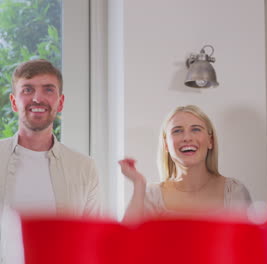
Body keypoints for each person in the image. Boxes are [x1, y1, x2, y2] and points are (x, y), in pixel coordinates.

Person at [0, 59, 101, 263]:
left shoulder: (84, 167)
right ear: (13, 102)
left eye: (48, 90)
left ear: (60, 102)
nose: (37, 98)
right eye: (27, 90)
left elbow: (93, 242)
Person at [119, 105, 251, 223]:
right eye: (177, 131)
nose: (187, 137)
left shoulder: (234, 191)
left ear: (211, 141)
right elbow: (125, 243)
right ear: (166, 144)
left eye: (196, 129)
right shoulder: (151, 195)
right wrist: (139, 184)